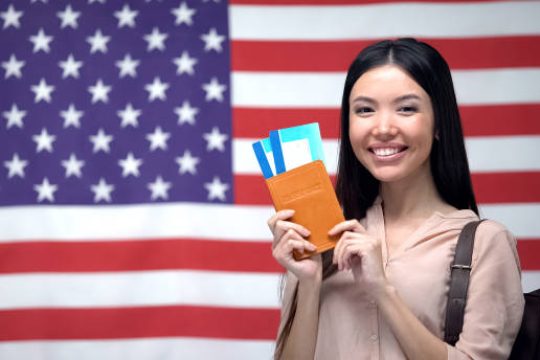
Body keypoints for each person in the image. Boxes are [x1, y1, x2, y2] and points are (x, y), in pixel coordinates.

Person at [267, 38, 525, 359]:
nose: (383, 128)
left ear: (439, 123)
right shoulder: (322, 239)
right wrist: (308, 282)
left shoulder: (487, 242)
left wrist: (383, 291)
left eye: (406, 108)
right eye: (364, 110)